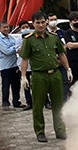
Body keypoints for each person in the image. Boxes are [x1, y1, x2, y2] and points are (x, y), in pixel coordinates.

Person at [19, 11, 72, 142]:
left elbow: (61, 54)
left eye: (43, 22)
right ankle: (40, 131)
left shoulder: (54, 37)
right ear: (33, 24)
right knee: (38, 105)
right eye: (38, 22)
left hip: (55, 74)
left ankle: (60, 130)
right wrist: (24, 76)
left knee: (58, 104)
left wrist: (68, 69)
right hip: (38, 76)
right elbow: (24, 59)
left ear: (46, 22)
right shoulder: (29, 40)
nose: (41, 25)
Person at [0, 21, 25, 110]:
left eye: (7, 27)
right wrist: (16, 48)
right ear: (0, 28)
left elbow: (15, 47)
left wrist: (15, 49)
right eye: (4, 27)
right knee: (6, 85)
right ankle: (5, 103)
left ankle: (16, 102)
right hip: (5, 66)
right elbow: (7, 51)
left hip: (14, 64)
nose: (7, 29)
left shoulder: (11, 37)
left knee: (16, 85)